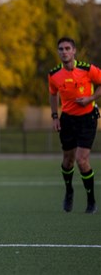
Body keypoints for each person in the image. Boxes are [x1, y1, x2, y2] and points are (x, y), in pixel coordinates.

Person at [48, 37, 101, 214]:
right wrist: (55, 116)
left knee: (81, 159)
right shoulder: (54, 74)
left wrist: (90, 99)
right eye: (61, 49)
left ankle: (91, 200)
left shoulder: (87, 70)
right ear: (58, 52)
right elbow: (53, 94)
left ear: (74, 51)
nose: (64, 52)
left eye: (67, 48)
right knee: (68, 160)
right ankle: (69, 191)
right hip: (68, 120)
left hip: (87, 119)